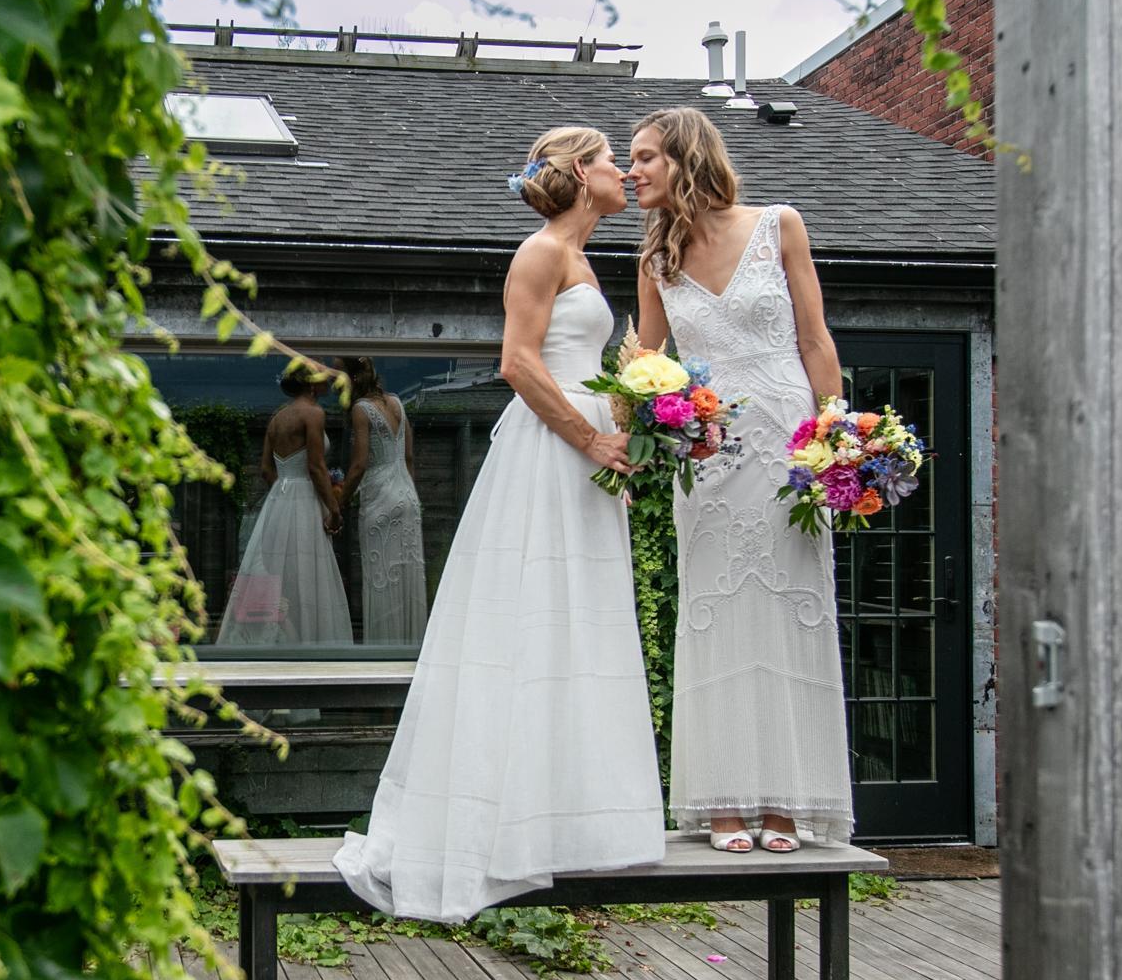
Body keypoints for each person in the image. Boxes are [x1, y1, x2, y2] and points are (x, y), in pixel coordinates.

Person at [334, 127, 667, 922]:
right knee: (527, 622)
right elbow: (518, 362)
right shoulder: (541, 251)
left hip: (584, 463)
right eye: (611, 160)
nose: (623, 171)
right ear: (581, 171)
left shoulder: (584, 257)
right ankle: (496, 825)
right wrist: (589, 438)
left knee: (577, 628)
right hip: (550, 455)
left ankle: (562, 819)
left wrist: (622, 430)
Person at [630, 106, 854, 853]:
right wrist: (653, 429)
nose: (633, 171)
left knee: (793, 612)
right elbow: (646, 372)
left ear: (686, 157)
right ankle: (724, 803)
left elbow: (814, 338)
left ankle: (788, 805)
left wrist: (836, 437)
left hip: (789, 446)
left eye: (646, 157)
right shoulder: (655, 261)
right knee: (717, 616)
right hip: (710, 455)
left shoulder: (780, 225)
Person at [217, 366, 353, 647]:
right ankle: (309, 643)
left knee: (283, 573)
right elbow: (316, 467)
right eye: (323, 377)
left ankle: (289, 643)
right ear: (312, 385)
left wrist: (283, 494)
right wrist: (334, 510)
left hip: (278, 501)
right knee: (307, 573)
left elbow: (266, 470)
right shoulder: (313, 413)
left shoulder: (277, 418)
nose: (329, 381)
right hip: (304, 500)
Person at [337, 356, 426, 645]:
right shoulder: (397, 402)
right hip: (407, 495)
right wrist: (408, 491)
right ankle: (409, 645)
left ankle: (384, 647)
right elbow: (408, 456)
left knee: (382, 577)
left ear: (351, 379)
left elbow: (359, 465)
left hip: (380, 497)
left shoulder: (361, 409)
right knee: (407, 574)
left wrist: (339, 503)